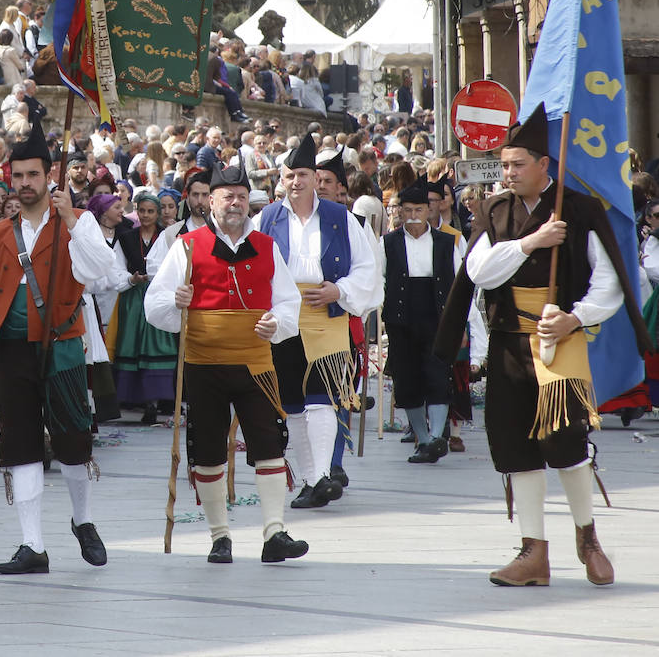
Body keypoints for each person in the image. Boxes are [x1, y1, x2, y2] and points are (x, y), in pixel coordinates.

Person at [434, 105, 650, 587]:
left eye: (516, 165)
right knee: (515, 446)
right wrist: (533, 242)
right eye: (504, 165)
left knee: (566, 441)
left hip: (562, 339)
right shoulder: (493, 210)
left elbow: (610, 282)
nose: (507, 174)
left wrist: (575, 317)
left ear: (543, 166)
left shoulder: (577, 208)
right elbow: (479, 272)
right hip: (510, 342)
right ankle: (533, 552)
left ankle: (587, 537)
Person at [0, 122, 116, 575]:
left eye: (33, 175)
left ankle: (83, 522)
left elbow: (100, 269)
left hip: (63, 345)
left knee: (73, 441)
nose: (25, 184)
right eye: (18, 176)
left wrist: (69, 219)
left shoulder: (77, 222)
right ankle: (32, 545)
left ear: (49, 177)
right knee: (21, 444)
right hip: (11, 351)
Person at [144, 165, 308, 563]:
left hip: (256, 364)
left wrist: (277, 322)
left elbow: (289, 302)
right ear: (209, 200)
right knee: (209, 452)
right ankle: (220, 536)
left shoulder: (267, 246)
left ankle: (274, 533)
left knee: (270, 445)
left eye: (240, 195)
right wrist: (175, 303)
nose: (234, 203)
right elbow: (154, 306)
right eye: (226, 196)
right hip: (203, 366)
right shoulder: (185, 246)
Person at [257, 133, 381, 509]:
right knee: (292, 403)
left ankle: (324, 474)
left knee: (323, 399)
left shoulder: (340, 217)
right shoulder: (267, 217)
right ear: (282, 178)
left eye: (304, 175)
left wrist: (338, 292)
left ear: (315, 178)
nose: (297, 182)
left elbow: (367, 268)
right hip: (285, 316)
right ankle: (311, 481)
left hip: (327, 315)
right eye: (290, 175)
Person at [382, 177, 465, 464]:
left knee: (437, 375)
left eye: (419, 210)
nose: (414, 216)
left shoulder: (445, 242)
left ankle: (437, 437)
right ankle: (424, 439)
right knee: (408, 381)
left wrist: (462, 324)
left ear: (427, 211)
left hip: (436, 318)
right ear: (401, 212)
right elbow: (379, 279)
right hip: (401, 320)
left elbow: (457, 284)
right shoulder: (388, 243)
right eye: (408, 210)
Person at [107, 191, 177, 424]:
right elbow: (116, 268)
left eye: (151, 211)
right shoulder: (126, 237)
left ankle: (157, 402)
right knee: (133, 345)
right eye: (142, 211)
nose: (146, 215)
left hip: (159, 295)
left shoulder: (166, 237)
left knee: (158, 346)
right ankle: (140, 401)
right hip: (134, 298)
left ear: (157, 214)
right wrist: (131, 279)